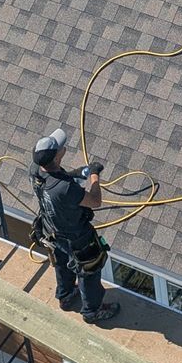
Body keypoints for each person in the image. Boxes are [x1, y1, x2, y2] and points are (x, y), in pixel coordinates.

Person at [32, 129, 119, 324]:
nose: (63, 147)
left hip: (52, 232)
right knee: (88, 271)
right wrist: (94, 175)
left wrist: (77, 174)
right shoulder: (66, 189)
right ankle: (92, 311)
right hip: (77, 239)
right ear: (57, 156)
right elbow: (95, 201)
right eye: (60, 148)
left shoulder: (36, 170)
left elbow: (56, 178)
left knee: (63, 264)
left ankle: (66, 296)